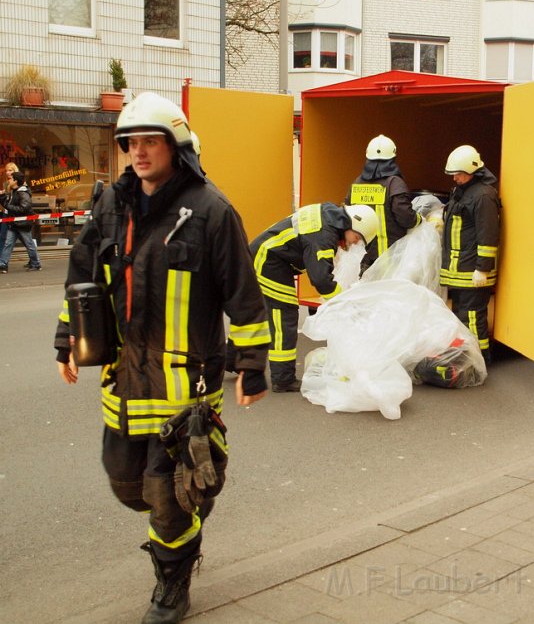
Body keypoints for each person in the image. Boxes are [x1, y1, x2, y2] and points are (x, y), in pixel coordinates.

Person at [53, 91, 271, 624]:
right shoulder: (110, 205)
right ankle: (190, 510)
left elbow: (242, 291)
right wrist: (67, 341)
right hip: (123, 379)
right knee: (128, 486)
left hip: (185, 387)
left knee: (168, 499)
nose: (140, 152)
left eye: (152, 141)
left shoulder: (211, 210)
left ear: (177, 146)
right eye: (132, 142)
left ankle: (172, 585)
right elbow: (82, 275)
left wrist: (252, 365)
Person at [251, 202, 379, 393]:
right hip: (268, 263)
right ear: (353, 224)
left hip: (269, 257)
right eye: (357, 237)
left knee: (263, 316)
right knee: (284, 315)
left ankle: (233, 361)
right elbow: (321, 280)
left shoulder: (330, 217)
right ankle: (283, 379)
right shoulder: (324, 235)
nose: (354, 242)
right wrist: (340, 301)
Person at [440, 145, 501, 364]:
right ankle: (465, 357)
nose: (455, 178)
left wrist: (482, 269)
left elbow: (488, 234)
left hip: (472, 271)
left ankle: (479, 360)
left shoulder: (483, 196)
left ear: (472, 170)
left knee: (473, 318)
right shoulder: (463, 190)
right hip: (459, 270)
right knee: (461, 317)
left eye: (459, 174)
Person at [344, 134, 419, 273]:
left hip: (365, 258)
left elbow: (347, 214)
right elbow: (406, 217)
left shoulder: (357, 183)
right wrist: (418, 219)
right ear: (393, 157)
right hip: (392, 257)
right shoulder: (394, 183)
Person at [0, 170, 42, 272]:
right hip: (14, 224)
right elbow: (8, 205)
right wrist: (2, 197)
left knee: (29, 244)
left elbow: (24, 208)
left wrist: (8, 206)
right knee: (8, 244)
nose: (8, 180)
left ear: (15, 181)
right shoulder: (14, 191)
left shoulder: (23, 193)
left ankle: (36, 263)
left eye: (10, 179)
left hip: (22, 223)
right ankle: (3, 264)